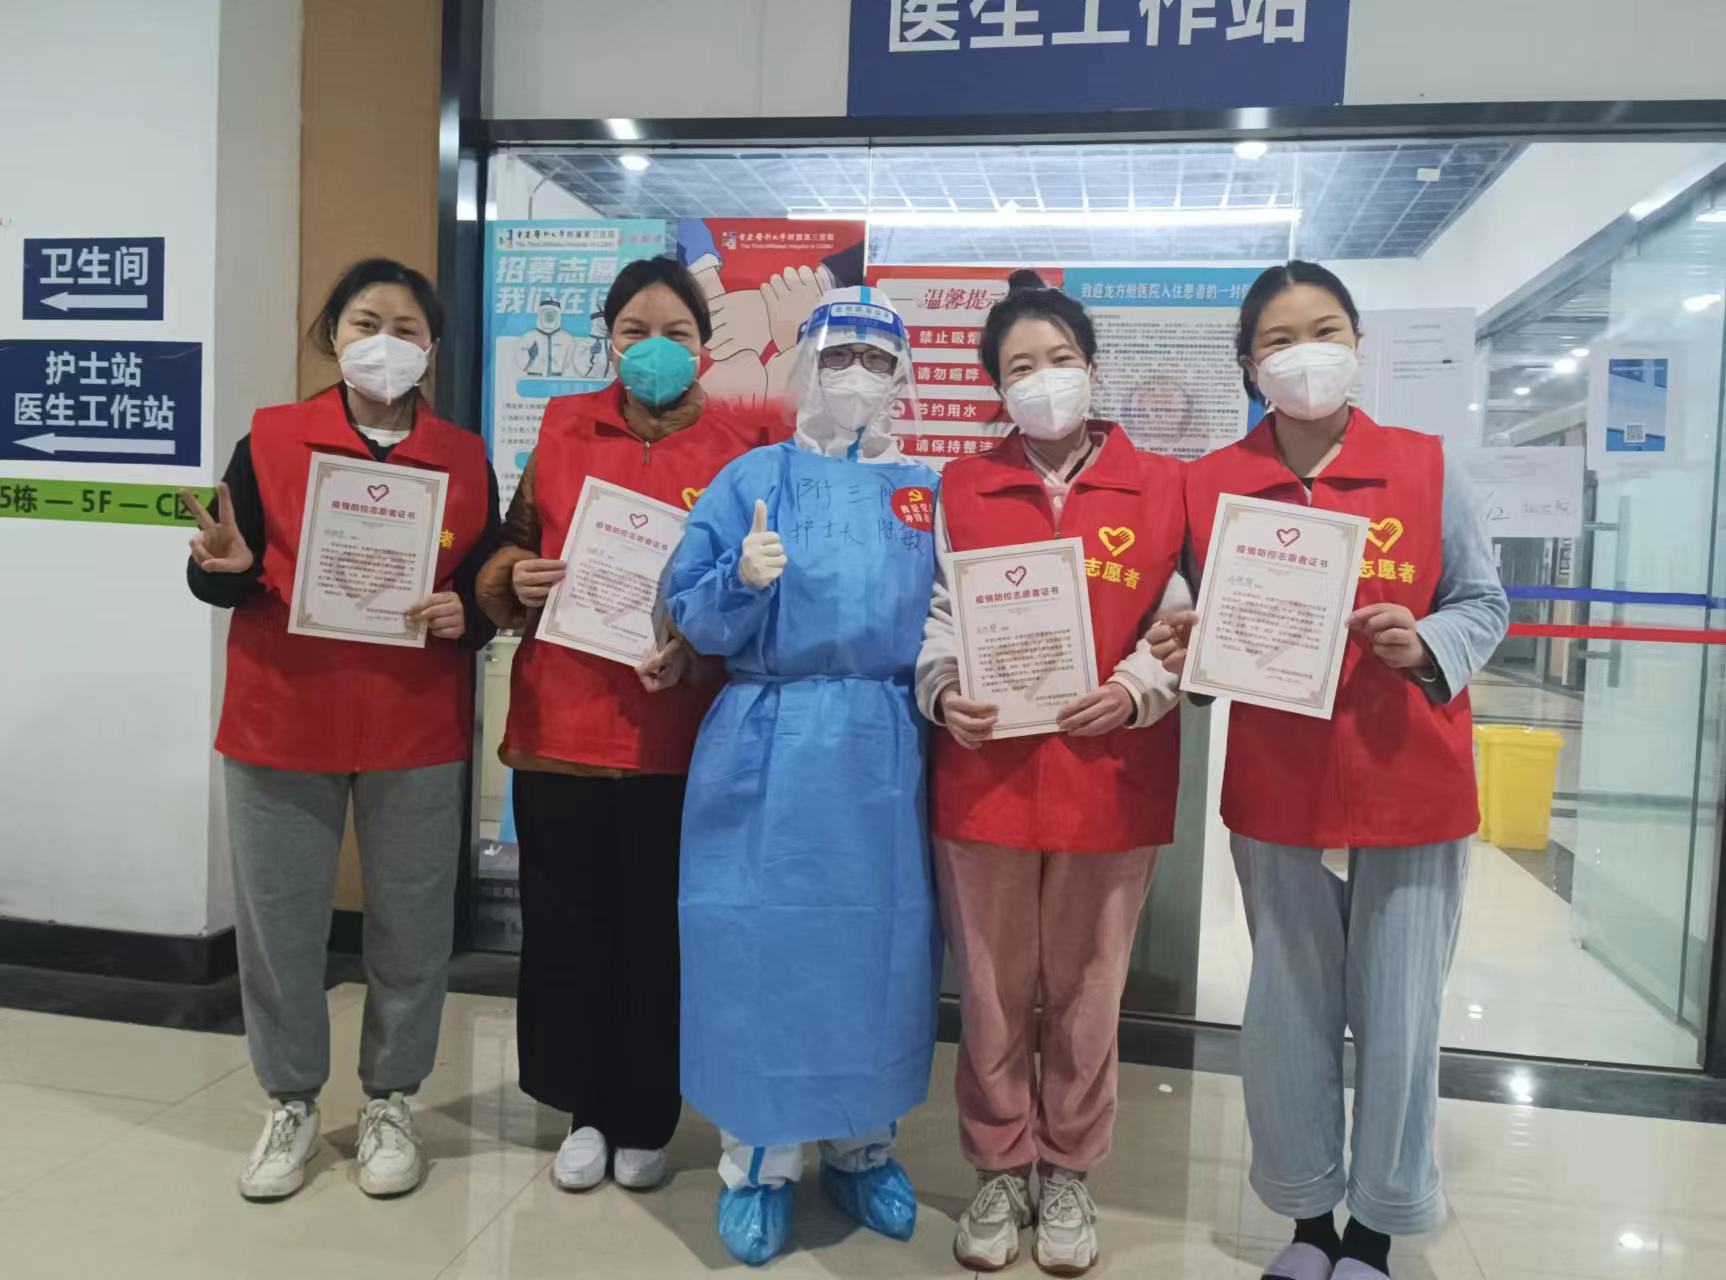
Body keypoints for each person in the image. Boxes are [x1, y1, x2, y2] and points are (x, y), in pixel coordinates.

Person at [1154, 262, 1508, 1280]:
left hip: (1410, 780)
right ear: (1248, 363)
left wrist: (1424, 639)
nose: (1304, 354)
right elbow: (1192, 630)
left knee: (1400, 1014)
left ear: (1358, 344)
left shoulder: (1426, 467)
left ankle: (1377, 1228)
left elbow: (1484, 601)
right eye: (1278, 339)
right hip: (1281, 784)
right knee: (1288, 1009)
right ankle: (1309, 1221)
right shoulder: (1210, 485)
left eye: (1325, 331)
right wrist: (1189, 648)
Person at [182, 258, 501, 1202]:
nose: (386, 343)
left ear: (433, 348)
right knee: (280, 927)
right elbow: (226, 566)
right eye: (368, 322)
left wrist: (470, 616)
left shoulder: (465, 457)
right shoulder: (272, 439)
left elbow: (482, 589)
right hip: (283, 716)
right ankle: (290, 1101)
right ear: (333, 333)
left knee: (411, 927)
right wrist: (220, 567)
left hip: (415, 724)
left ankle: (392, 1098)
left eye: (408, 329)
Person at [914, 270, 1190, 1276]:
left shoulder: (1165, 489)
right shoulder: (959, 488)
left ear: (1092, 367)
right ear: (997, 387)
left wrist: (1137, 686)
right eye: (1020, 365)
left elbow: (1182, 624)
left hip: (1112, 776)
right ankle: (998, 1164)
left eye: (1060, 358)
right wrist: (944, 690)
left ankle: (1068, 1167)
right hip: (984, 778)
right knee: (991, 991)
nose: (1044, 378)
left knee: (1087, 991)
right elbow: (938, 617)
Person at [475, 256, 769, 1195]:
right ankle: (584, 1111)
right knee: (567, 931)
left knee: (658, 936)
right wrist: (513, 578)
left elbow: (753, 593)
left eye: (676, 333)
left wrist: (701, 649)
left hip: (677, 736)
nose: (655, 349)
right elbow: (513, 541)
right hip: (559, 728)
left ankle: (646, 1114)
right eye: (635, 332)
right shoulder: (564, 426)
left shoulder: (742, 448)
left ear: (705, 348)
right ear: (608, 342)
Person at [664, 286, 942, 1267]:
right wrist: (738, 581)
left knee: (880, 951)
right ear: (805, 362)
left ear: (902, 375)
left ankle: (864, 1147)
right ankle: (759, 1163)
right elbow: (691, 614)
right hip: (768, 741)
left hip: (885, 749)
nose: (856, 375)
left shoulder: (924, 494)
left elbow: (962, 615)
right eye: (840, 354)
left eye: (878, 358)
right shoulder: (752, 479)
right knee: (762, 951)